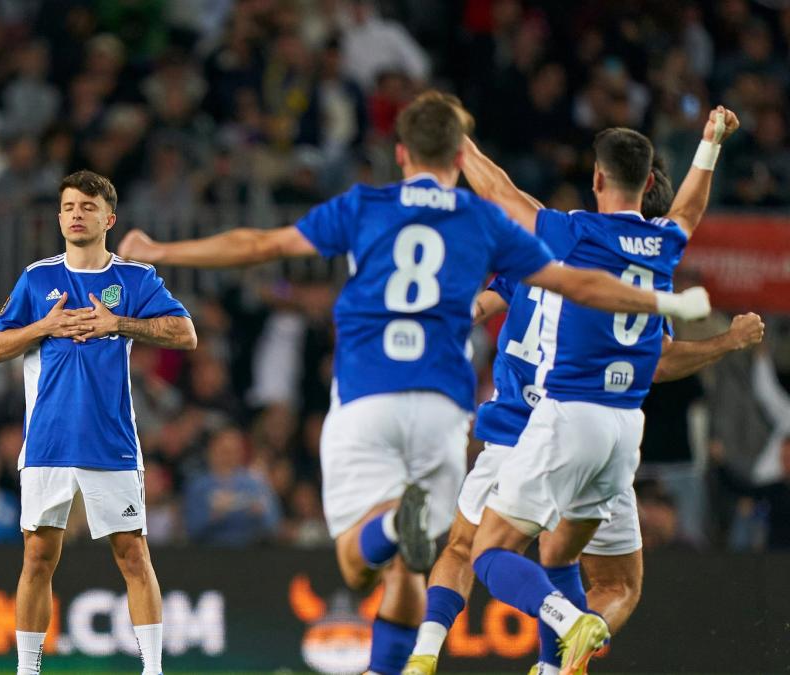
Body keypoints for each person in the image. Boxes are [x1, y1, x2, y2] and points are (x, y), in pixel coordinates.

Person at [117, 91, 711, 675]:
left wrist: (164, 248)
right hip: (449, 410)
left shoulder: (365, 206)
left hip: (370, 397)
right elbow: (580, 283)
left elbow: (261, 244)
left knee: (366, 563)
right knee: (511, 551)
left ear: (400, 154)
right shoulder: (486, 223)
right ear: (456, 159)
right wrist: (665, 301)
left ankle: (404, 565)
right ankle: (445, 648)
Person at [405, 110, 748, 675]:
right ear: (646, 184)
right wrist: (709, 145)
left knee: (485, 552)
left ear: (596, 179)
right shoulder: (664, 243)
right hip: (624, 429)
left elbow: (503, 192)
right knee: (603, 575)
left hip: (561, 417)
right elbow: (689, 209)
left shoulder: (572, 236)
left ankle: (564, 622)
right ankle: (552, 667)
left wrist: (458, 144)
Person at [0, 170, 197, 675]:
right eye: (68, 207)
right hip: (47, 443)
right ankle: (28, 670)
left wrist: (118, 323)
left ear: (109, 218)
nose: (76, 215)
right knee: (37, 558)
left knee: (132, 555)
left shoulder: (135, 279)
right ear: (59, 218)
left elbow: (185, 333)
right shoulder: (38, 279)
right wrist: (45, 326)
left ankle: (152, 670)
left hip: (111, 442)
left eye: (86, 206)